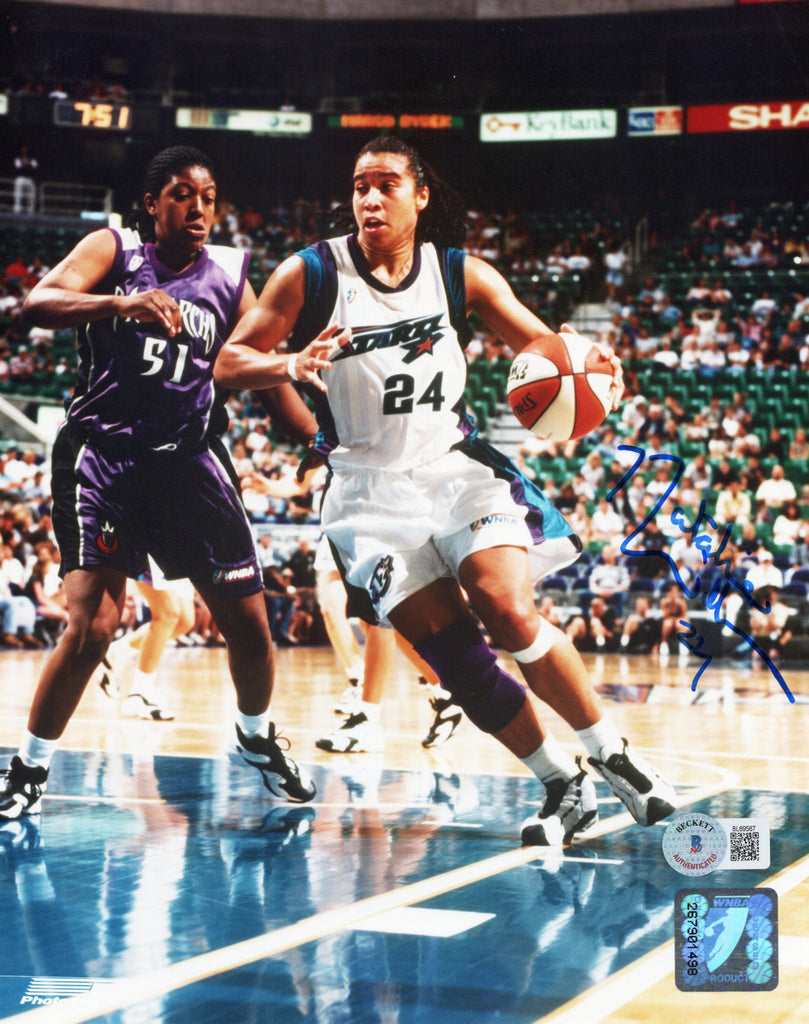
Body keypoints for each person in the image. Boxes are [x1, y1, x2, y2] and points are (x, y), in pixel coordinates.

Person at [214, 135, 676, 846]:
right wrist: (290, 362)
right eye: (360, 186)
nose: (370, 199)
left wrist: (590, 369)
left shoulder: (460, 273)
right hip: (366, 494)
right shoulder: (310, 273)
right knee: (458, 661)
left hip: (454, 467)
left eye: (387, 185)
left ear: (420, 196)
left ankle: (614, 755)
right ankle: (561, 782)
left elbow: (544, 349)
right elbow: (229, 362)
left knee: (506, 608)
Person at [0, 146, 324, 821]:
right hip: (104, 457)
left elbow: (262, 373)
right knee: (94, 625)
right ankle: (28, 768)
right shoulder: (114, 248)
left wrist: (319, 438)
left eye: (207, 197)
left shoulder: (231, 275)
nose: (198, 208)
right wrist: (120, 303)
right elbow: (37, 303)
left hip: (188, 464)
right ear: (152, 203)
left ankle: (255, 737)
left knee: (250, 625)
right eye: (181, 194)